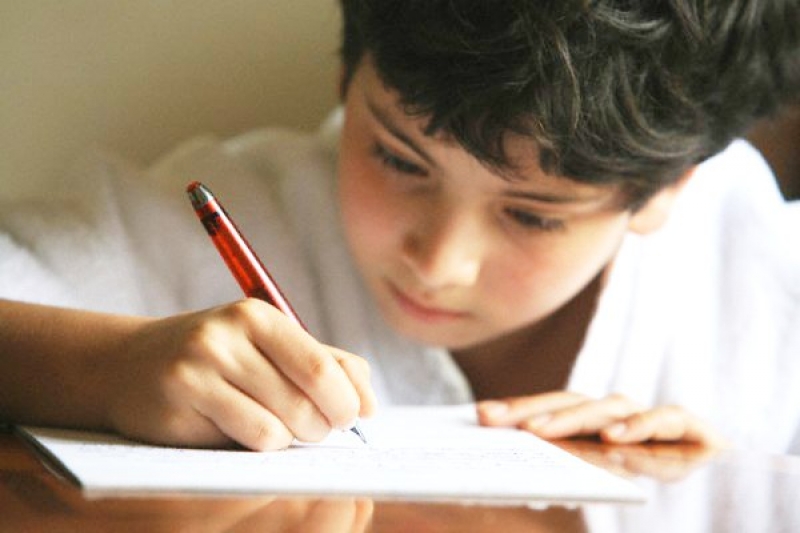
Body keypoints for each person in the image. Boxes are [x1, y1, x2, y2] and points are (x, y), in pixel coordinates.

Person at [1, 0, 799, 453]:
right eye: (398, 158)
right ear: (348, 78)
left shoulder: (763, 277)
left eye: (532, 213)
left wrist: (730, 485)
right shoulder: (255, 201)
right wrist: (103, 370)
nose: (439, 262)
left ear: (664, 190)